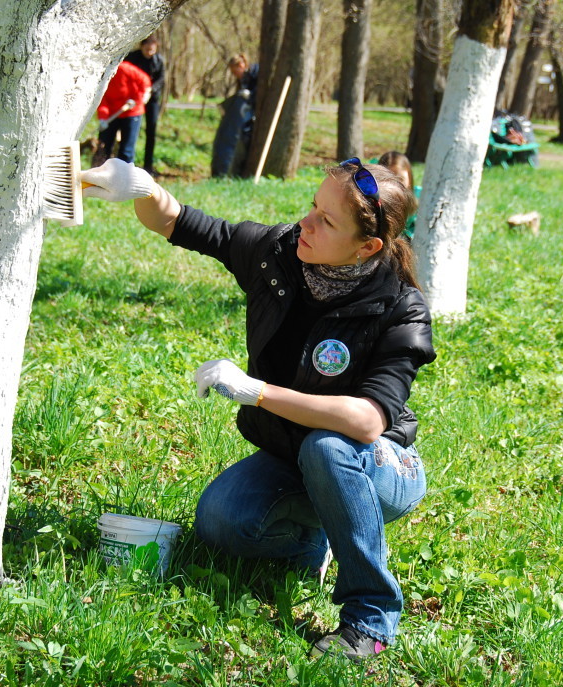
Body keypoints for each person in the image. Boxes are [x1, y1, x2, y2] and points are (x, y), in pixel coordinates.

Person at [80, 157, 435, 662]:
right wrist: (143, 187)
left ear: (368, 247)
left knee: (330, 445)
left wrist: (257, 392)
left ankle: (369, 620)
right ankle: (315, 545)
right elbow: (178, 222)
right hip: (294, 457)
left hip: (380, 467)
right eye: (313, 206)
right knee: (222, 520)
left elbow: (368, 420)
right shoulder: (277, 254)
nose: (305, 223)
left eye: (326, 221)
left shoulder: (401, 308)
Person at [95, 60, 151, 165]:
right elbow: (102, 100)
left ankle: (125, 176)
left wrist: (136, 99)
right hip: (111, 114)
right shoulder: (100, 77)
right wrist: (103, 118)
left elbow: (145, 81)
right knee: (103, 147)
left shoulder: (125, 68)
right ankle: (102, 176)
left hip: (132, 112)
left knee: (126, 150)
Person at [124, 36, 166, 174]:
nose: (149, 52)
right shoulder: (132, 58)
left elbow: (161, 79)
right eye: (147, 49)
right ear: (142, 46)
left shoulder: (159, 61)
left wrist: (151, 90)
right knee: (130, 130)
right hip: (134, 98)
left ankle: (148, 165)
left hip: (151, 99)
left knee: (151, 131)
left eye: (152, 49)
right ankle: (126, 163)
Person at [378, 151, 420, 239]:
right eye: (390, 179)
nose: (396, 185)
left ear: (409, 176)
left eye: (400, 179)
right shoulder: (375, 204)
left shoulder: (422, 197)